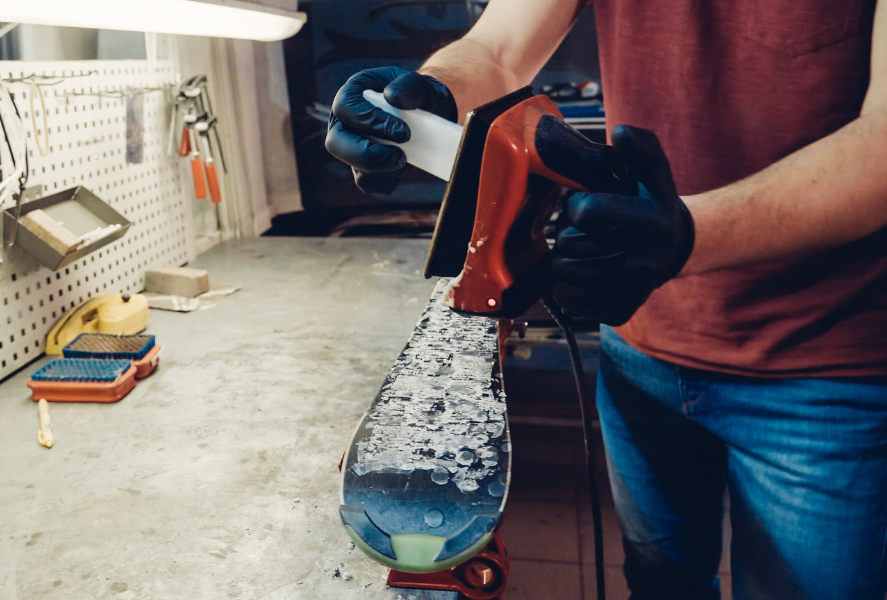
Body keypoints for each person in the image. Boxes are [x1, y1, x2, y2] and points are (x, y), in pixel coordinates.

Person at [325, 1, 887, 598]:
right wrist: (431, 96)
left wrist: (688, 235)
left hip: (822, 367)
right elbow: (498, 47)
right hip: (641, 352)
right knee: (660, 583)